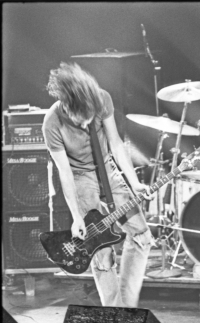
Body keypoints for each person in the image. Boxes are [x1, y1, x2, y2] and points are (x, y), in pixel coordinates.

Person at [43, 62, 155, 307]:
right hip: (80, 176)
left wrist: (134, 182)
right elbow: (65, 174)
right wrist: (76, 217)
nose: (85, 127)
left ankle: (127, 308)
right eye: (80, 122)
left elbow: (115, 144)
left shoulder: (102, 98)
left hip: (108, 169)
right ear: (66, 106)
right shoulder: (52, 123)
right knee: (101, 253)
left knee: (142, 236)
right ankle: (116, 315)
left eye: (89, 121)